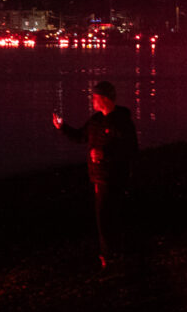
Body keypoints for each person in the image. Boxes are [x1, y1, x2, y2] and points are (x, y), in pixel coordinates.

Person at [53, 80, 138, 268]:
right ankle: (113, 252)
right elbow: (80, 137)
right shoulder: (95, 121)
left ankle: (109, 255)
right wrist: (62, 127)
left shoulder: (122, 122)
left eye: (95, 97)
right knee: (105, 215)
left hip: (114, 176)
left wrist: (105, 154)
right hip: (98, 176)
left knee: (108, 215)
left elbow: (131, 149)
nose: (92, 100)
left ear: (105, 99)